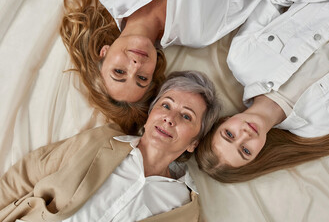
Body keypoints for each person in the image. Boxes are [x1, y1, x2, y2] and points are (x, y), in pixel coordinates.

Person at [0, 71, 221, 221]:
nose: (169, 118)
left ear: (194, 143)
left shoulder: (185, 209)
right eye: (165, 105)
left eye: (186, 116)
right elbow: (27, 174)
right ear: (149, 115)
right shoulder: (100, 141)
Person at [195, 0, 329, 183]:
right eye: (245, 150)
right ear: (257, 156)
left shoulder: (242, 59)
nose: (244, 135)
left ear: (223, 121)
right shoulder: (318, 127)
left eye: (229, 134)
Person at [60, 0, 275, 134]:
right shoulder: (200, 32)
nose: (135, 66)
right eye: (142, 78)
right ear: (153, 71)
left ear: (104, 52)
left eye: (119, 72)